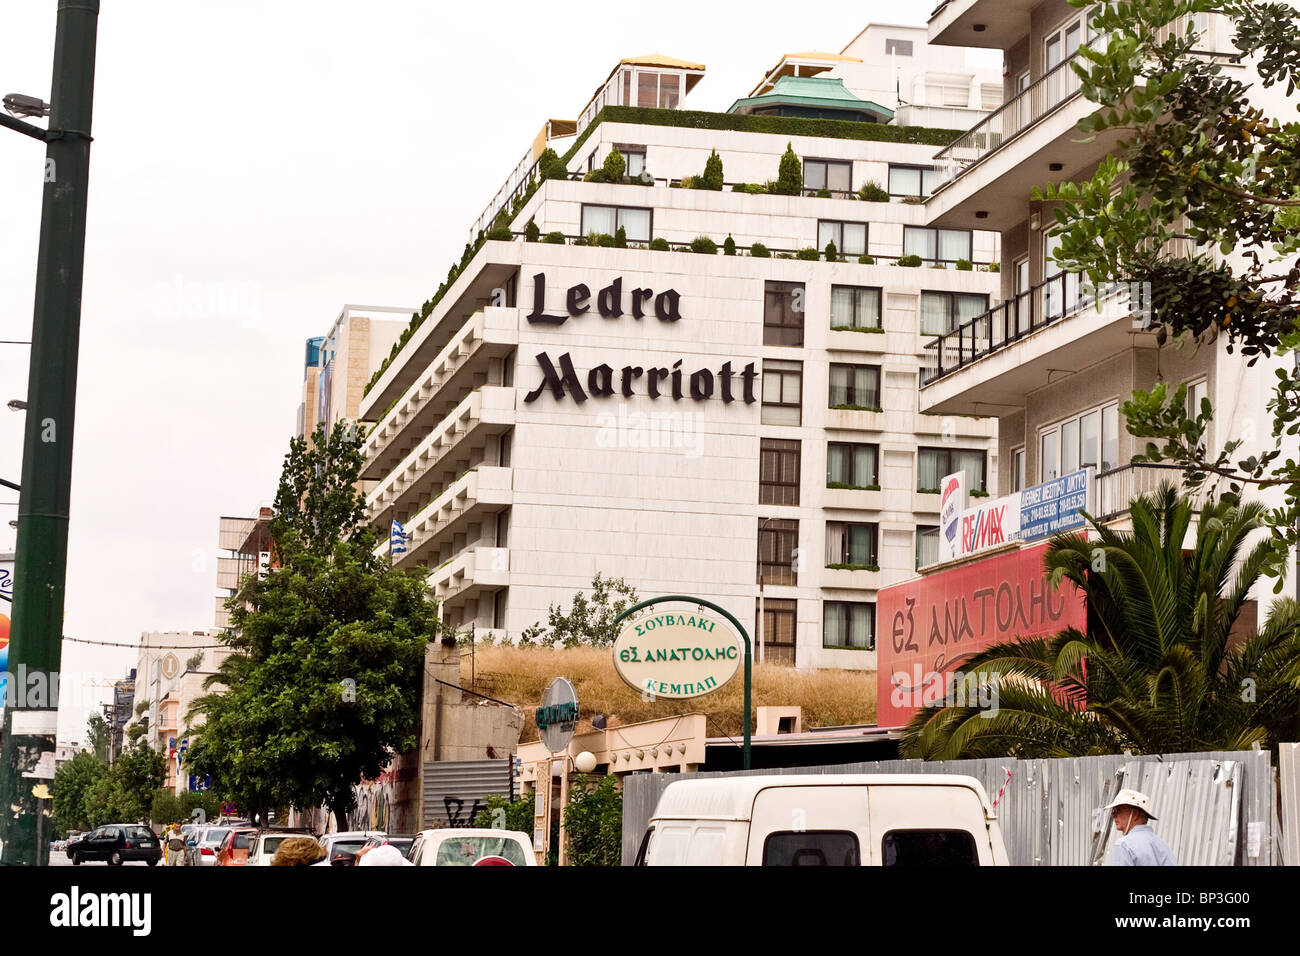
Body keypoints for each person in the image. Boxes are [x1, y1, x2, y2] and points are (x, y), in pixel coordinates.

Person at [1105, 788, 1177, 866]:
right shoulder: (1163, 846)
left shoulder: (1123, 845)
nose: (1113, 815)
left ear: (1135, 814)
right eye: (1113, 811)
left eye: (1118, 810)